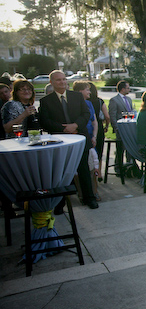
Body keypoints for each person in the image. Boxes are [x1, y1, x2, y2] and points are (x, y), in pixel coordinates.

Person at [39, 70, 98, 209]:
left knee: (83, 169)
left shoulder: (77, 97)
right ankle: (60, 203)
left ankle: (89, 198)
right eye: (59, 80)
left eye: (64, 79)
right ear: (52, 82)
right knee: (60, 172)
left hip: (79, 138)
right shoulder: (46, 101)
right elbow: (44, 121)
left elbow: (86, 114)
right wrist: (64, 128)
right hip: (60, 141)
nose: (63, 82)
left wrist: (75, 125)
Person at [73, 81, 100, 201]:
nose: (89, 92)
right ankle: (81, 194)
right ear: (79, 92)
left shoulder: (89, 103)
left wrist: (94, 136)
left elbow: (94, 121)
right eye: (87, 89)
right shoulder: (72, 104)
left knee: (93, 165)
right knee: (79, 169)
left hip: (90, 139)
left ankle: (94, 192)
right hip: (79, 139)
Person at [109, 80, 134, 176]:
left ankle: (129, 167)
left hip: (129, 129)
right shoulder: (114, 100)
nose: (129, 89)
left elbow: (131, 112)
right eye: (128, 88)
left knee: (129, 149)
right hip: (120, 129)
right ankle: (118, 168)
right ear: (122, 89)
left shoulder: (129, 99)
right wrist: (117, 128)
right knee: (120, 150)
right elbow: (112, 115)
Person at [88, 83, 110, 182]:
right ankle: (99, 173)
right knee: (99, 151)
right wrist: (107, 126)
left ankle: (91, 173)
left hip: (88, 127)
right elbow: (107, 116)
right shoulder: (99, 101)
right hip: (99, 127)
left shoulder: (82, 102)